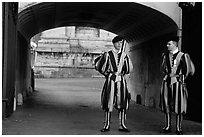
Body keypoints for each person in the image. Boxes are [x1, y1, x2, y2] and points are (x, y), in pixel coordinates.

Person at [95, 36, 133, 132]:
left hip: (120, 80)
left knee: (122, 102)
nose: (119, 45)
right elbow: (100, 67)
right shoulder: (107, 54)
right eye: (118, 43)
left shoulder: (124, 56)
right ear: (114, 43)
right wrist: (107, 74)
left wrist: (122, 72)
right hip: (111, 80)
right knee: (109, 101)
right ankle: (107, 124)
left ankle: (122, 124)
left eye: (121, 43)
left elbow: (129, 69)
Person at [160, 36, 195, 135]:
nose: (167, 46)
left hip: (178, 82)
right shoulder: (165, 56)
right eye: (167, 44)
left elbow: (188, 70)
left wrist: (180, 77)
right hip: (167, 82)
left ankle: (178, 128)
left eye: (169, 44)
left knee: (179, 105)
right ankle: (167, 126)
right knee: (167, 104)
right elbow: (163, 68)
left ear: (175, 44)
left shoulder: (183, 56)